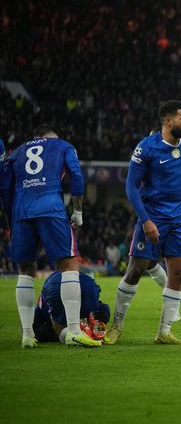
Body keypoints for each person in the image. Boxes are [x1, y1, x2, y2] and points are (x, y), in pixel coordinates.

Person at [105, 100, 181, 345]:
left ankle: (164, 332)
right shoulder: (146, 148)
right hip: (153, 215)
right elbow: (131, 187)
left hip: (179, 218)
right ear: (168, 121)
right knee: (136, 269)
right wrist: (145, 220)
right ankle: (117, 325)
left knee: (178, 272)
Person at [0, 125, 101, 348]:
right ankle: (74, 330)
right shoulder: (62, 145)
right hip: (50, 207)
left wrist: (11, 219)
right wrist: (78, 211)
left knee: (25, 271)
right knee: (69, 264)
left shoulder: (16, 153)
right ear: (48, 139)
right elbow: (76, 174)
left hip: (21, 212)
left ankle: (27, 334)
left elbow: (5, 188)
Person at [33, 271, 110, 344]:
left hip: (56, 286)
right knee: (99, 314)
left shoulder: (40, 313)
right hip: (87, 282)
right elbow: (104, 309)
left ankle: (80, 332)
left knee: (61, 327)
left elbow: (35, 328)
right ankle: (91, 329)